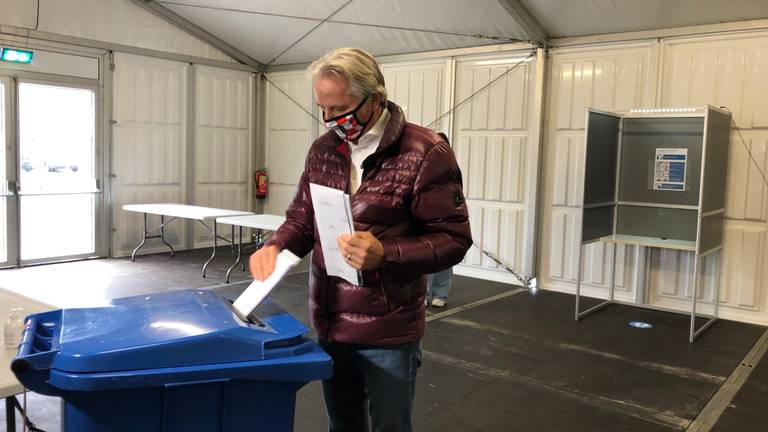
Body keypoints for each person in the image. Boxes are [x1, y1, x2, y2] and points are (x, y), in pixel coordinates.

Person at [249, 47, 471, 432]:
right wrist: (275, 245)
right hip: (330, 320)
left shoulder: (425, 152)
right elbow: (303, 218)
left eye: (340, 108)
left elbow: (454, 239)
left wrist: (386, 253)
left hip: (388, 330)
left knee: (390, 426)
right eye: (323, 108)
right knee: (343, 425)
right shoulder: (323, 150)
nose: (331, 119)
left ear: (376, 98)